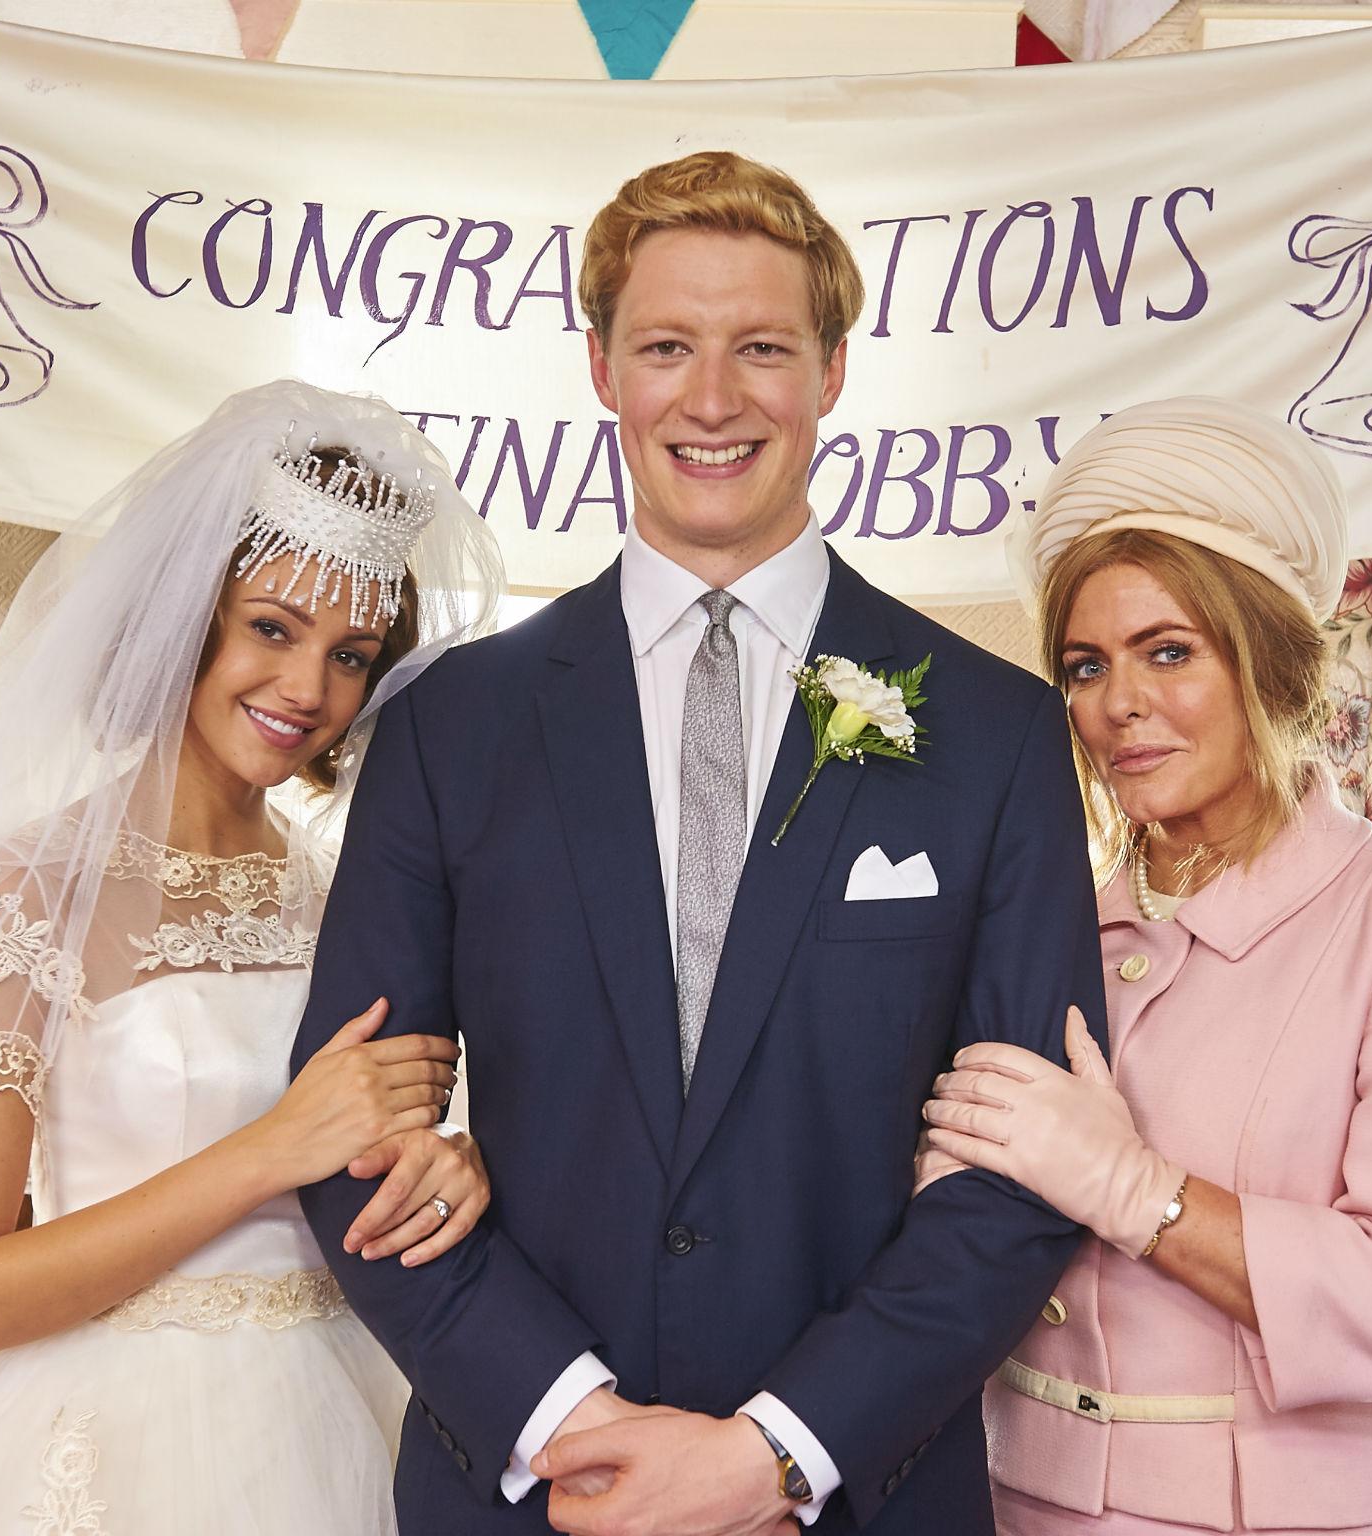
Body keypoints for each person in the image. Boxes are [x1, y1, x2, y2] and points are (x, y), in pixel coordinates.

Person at [290, 150, 1104, 1536]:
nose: (713, 399)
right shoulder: (452, 730)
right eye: (667, 345)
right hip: (538, 1496)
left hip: (859, 1498)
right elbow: (346, 1133)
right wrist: (577, 1428)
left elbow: (1031, 1170)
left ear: (834, 371)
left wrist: (774, 1454)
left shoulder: (998, 732)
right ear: (602, 365)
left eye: (763, 348)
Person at [0, 380, 505, 1535]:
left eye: (351, 654)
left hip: (350, 1416)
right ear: (183, 615)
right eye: (271, 627)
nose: (308, 690)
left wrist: (451, 1176)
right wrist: (269, 1150)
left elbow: (363, 1180)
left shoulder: (347, 898)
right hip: (96, 1435)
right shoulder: (31, 890)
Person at [920, 396, 1372, 1535]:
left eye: (1168, 650)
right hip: (1009, 1503)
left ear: (1271, 662)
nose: (1119, 705)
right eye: (1084, 665)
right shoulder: (1037, 925)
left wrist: (1135, 1192)